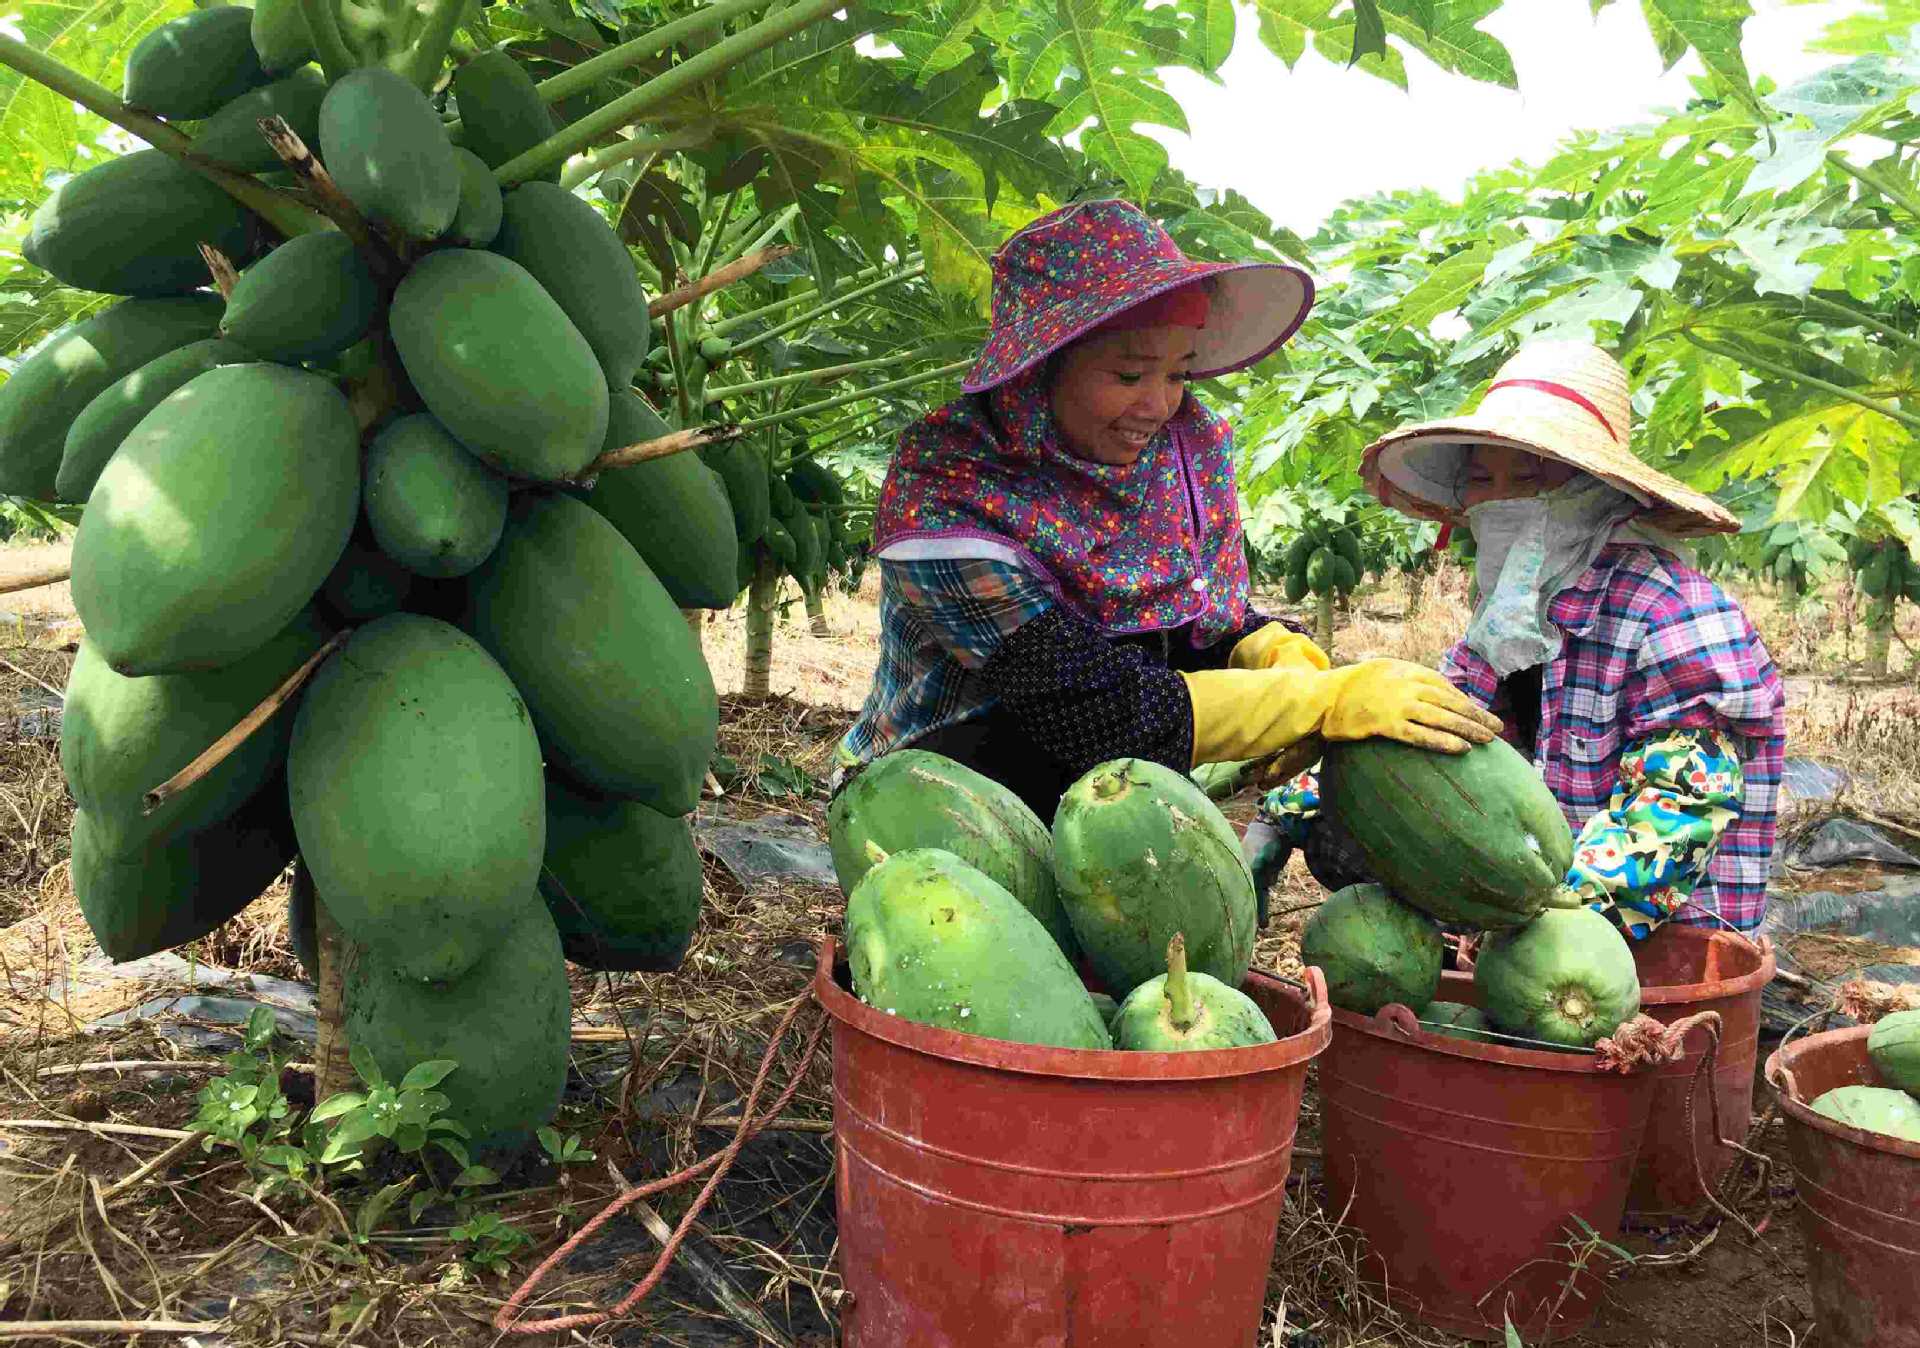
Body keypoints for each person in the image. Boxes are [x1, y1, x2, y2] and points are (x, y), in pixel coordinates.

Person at [832, 199, 1502, 827]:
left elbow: (1186, 616)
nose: (1158, 406)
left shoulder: (1179, 451)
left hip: (1104, 792)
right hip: (942, 792)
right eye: (1129, 376)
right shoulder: (952, 495)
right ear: (1039, 370)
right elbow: (1089, 708)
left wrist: (1262, 644)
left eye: (1179, 373)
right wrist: (1321, 701)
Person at [1251, 340, 1786, 939]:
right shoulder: (1511, 616)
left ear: (1598, 490)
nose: (1502, 500)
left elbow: (1677, 814)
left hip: (1667, 944)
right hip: (1529, 920)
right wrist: (1284, 814)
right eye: (1484, 478)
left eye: (1530, 479)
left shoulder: (1673, 613)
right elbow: (1430, 724)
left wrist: (1544, 927)